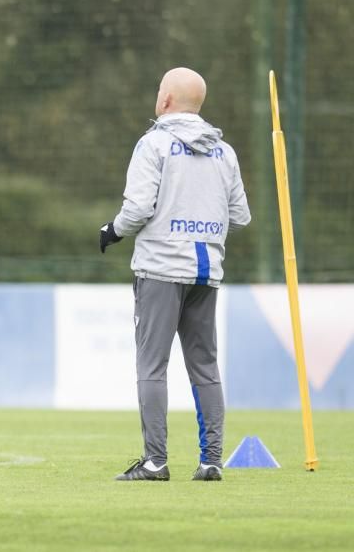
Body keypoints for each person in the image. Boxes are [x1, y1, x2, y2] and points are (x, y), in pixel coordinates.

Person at [100, 67, 250, 482]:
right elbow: (240, 215)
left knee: (152, 365)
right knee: (205, 367)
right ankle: (211, 461)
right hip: (207, 272)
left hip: (161, 270)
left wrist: (111, 232)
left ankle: (155, 461)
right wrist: (202, 224)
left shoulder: (154, 144)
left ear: (165, 100)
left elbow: (137, 209)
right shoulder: (225, 152)